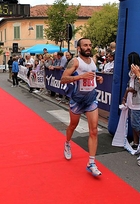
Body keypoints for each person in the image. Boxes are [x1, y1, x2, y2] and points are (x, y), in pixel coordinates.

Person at [61, 38, 104, 176]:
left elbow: (92, 75)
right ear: (79, 48)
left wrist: (98, 78)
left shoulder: (93, 61)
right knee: (73, 125)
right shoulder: (75, 62)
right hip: (77, 100)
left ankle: (91, 163)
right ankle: (67, 143)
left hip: (91, 99)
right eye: (85, 45)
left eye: (90, 45)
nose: (88, 47)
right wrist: (80, 77)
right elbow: (63, 78)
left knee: (94, 131)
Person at [122, 52, 140, 150]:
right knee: (133, 123)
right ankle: (136, 142)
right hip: (131, 100)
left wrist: (138, 74)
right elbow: (129, 85)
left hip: (138, 101)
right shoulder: (131, 73)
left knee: (136, 124)